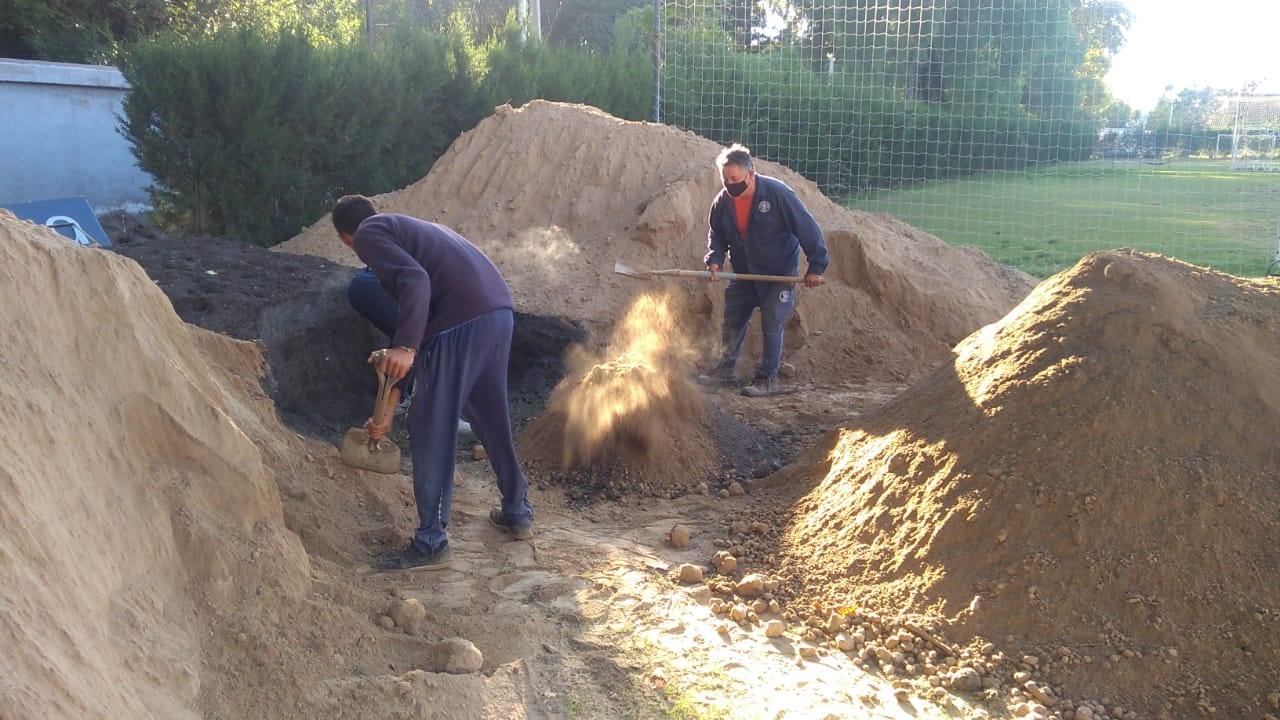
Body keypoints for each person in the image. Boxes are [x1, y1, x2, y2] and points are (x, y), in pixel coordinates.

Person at [332, 195, 535, 571]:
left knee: (430, 426)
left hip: (463, 320)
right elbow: (424, 330)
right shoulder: (417, 231)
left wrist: (404, 345)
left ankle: (430, 542)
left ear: (346, 239)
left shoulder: (369, 234)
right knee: (490, 416)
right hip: (497, 314)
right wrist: (388, 408)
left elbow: (415, 282)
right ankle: (517, 510)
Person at [700, 143, 829, 397]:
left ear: (751, 174)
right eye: (725, 179)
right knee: (733, 318)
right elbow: (716, 234)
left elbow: (807, 228)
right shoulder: (723, 202)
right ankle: (726, 371)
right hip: (744, 272)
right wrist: (714, 258)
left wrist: (816, 266)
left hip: (778, 272)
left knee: (772, 321)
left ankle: (768, 379)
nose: (729, 185)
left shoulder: (778, 195)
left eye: (735, 179)